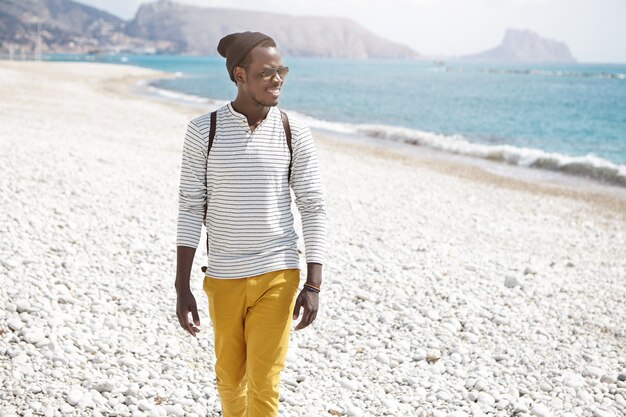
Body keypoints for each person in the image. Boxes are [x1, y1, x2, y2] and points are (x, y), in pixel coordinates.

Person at [174, 31, 327, 417]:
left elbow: (313, 206)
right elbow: (191, 208)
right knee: (228, 378)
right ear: (240, 74)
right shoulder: (203, 131)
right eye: (267, 72)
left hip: (278, 273)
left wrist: (313, 283)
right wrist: (181, 286)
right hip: (223, 276)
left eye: (282, 71)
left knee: (264, 383)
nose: (278, 80)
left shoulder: (295, 132)